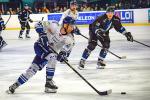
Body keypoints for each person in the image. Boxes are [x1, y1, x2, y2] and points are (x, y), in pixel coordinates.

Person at [6, 16, 76, 94]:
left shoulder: (70, 39)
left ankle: (16, 84)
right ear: (65, 25)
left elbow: (65, 52)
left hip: (49, 53)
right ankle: (49, 82)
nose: (73, 28)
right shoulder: (54, 25)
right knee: (53, 56)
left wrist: (63, 55)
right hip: (40, 46)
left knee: (32, 70)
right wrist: (42, 34)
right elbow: (38, 24)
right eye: (71, 25)